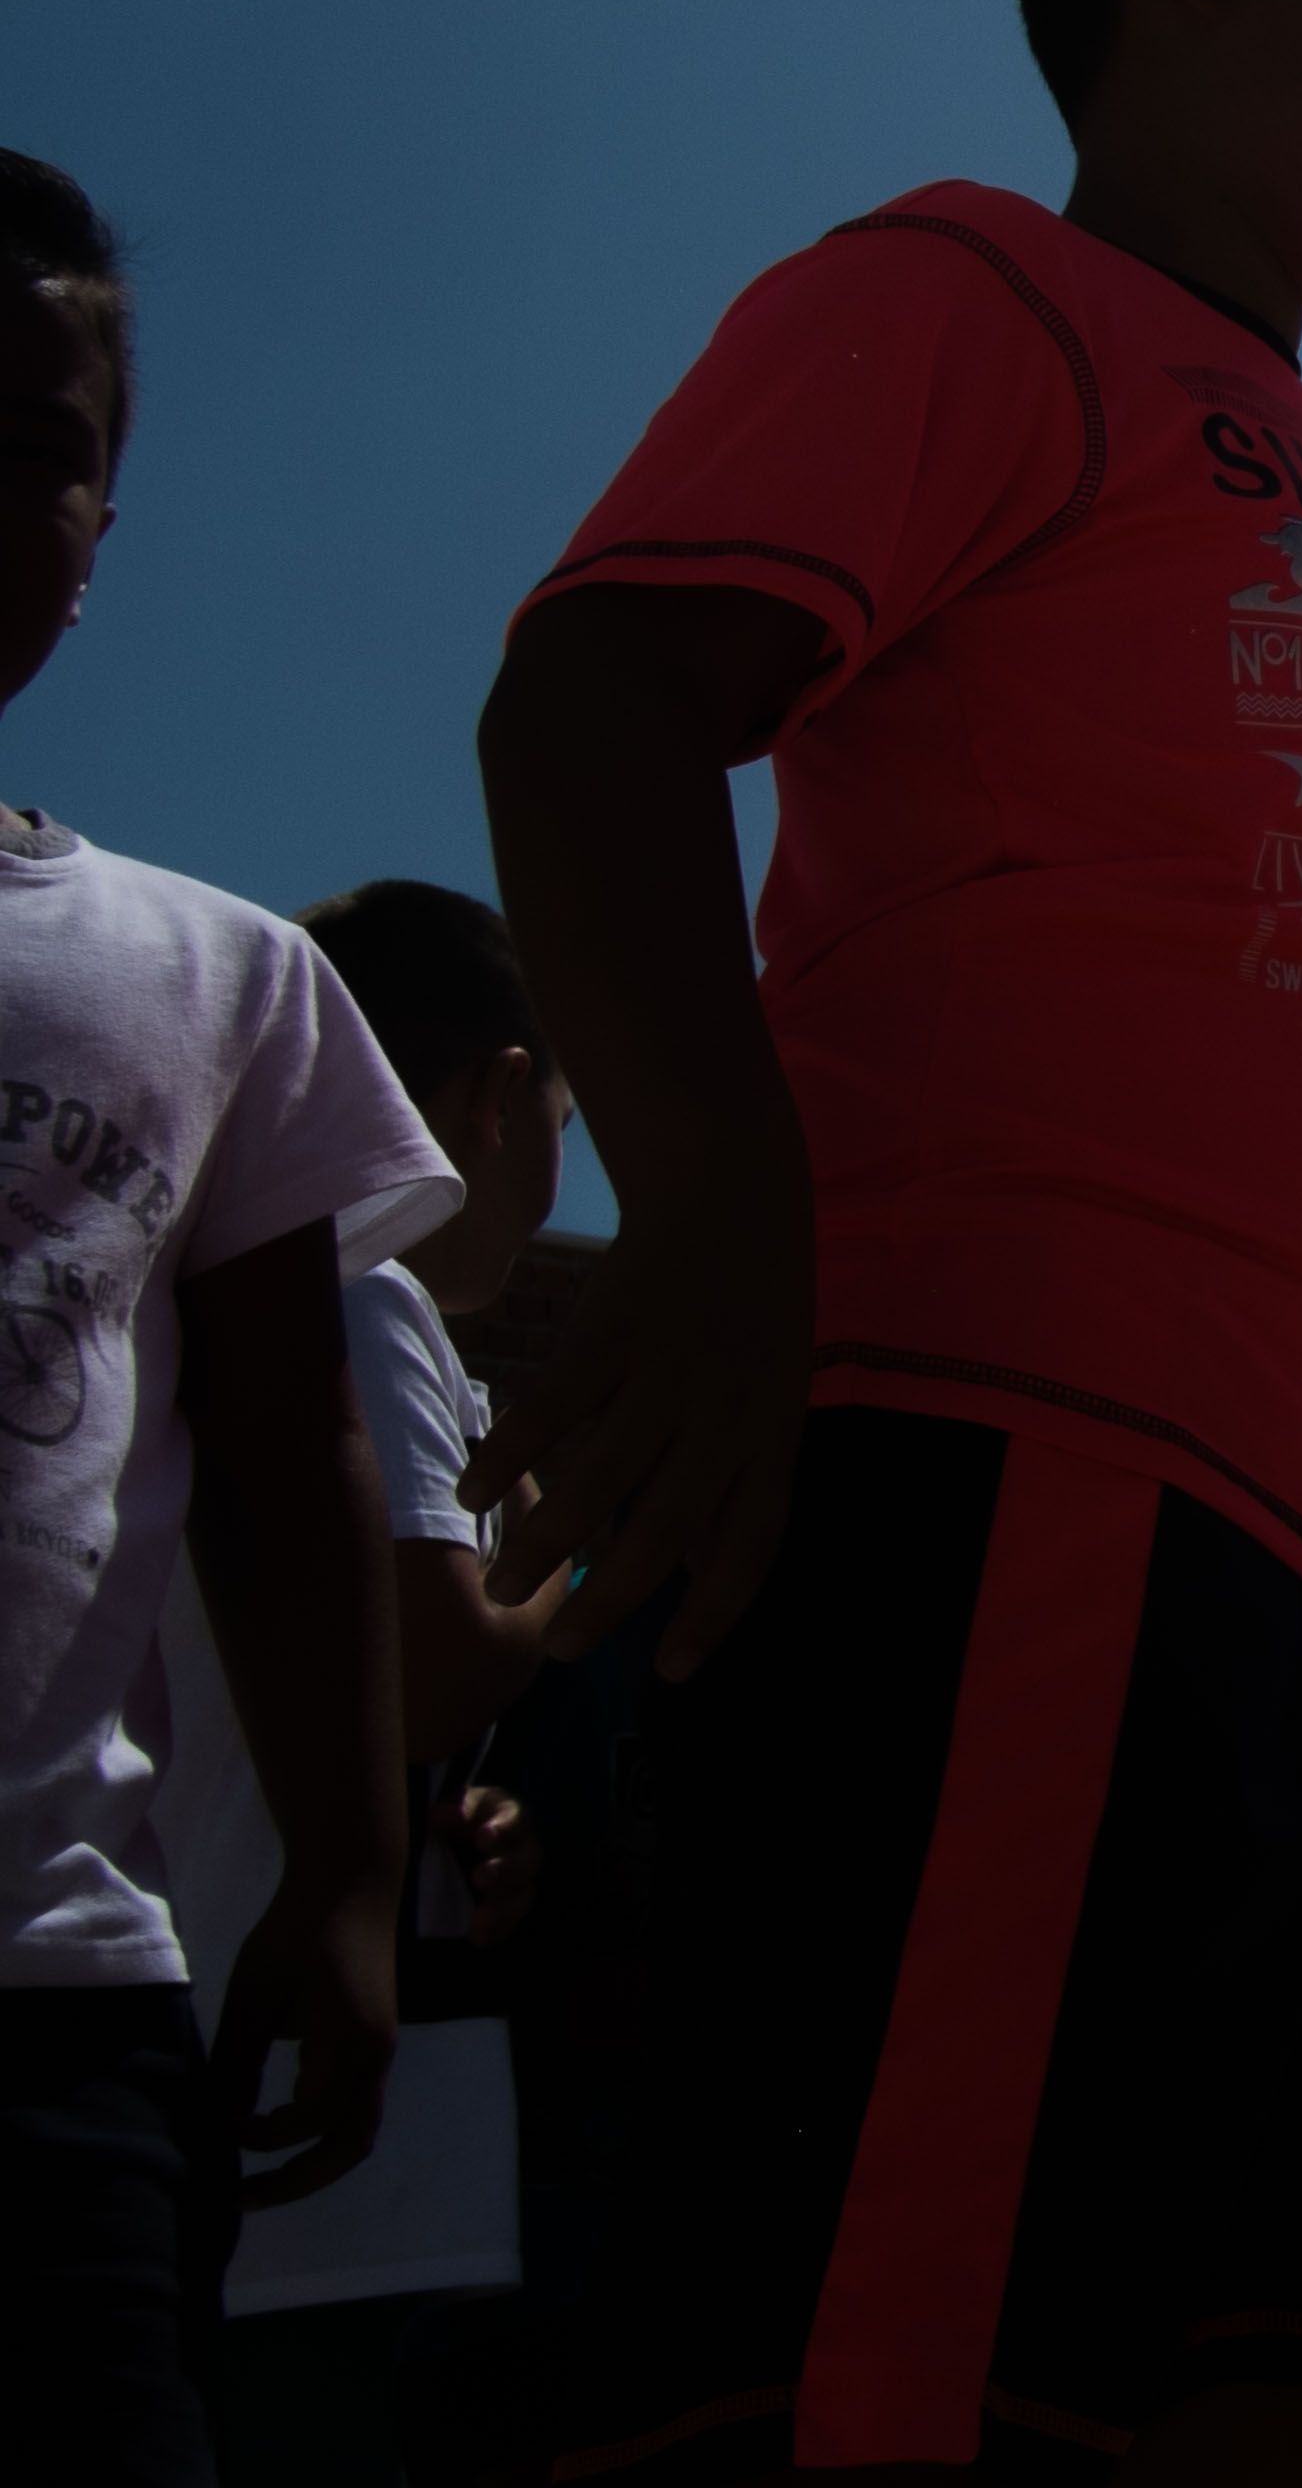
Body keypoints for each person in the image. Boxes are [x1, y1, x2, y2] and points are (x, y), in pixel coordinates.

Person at [470, 0, 1302, 2483]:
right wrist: (716, 1217)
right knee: (925, 2384)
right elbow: (597, 699)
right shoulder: (975, 296)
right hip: (1022, 1514)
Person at [0, 150, 455, 2485]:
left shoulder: (213, 978)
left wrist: (355, 1880)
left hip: (61, 1992)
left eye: (43, 440)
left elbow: (294, 1460)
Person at [148, 877, 579, 2476]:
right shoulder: (369, 1289)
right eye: (561, 1114)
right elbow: (436, 1652)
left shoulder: (244, 1280)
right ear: (496, 1090)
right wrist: (550, 1557)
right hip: (299, 2107)